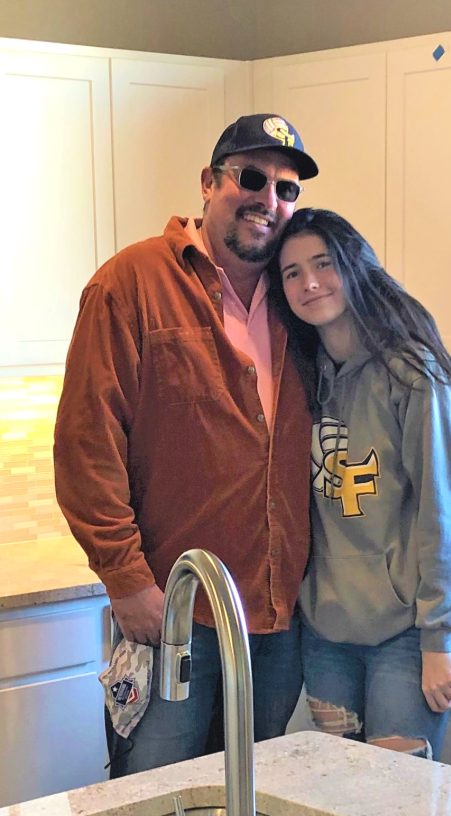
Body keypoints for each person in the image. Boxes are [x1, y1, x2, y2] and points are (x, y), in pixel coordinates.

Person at [54, 114, 319, 777]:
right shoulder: (131, 283)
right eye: (251, 179)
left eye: (287, 189)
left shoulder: (300, 295)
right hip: (173, 611)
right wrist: (126, 580)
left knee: (255, 801)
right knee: (155, 801)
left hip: (277, 614)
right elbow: (87, 444)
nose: (269, 201)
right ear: (208, 182)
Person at [268, 207, 451, 760]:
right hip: (326, 635)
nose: (309, 283)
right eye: (291, 273)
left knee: (399, 805)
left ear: (355, 266)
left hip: (404, 637)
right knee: (344, 805)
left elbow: (441, 516)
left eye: (323, 263)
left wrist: (438, 641)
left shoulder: (416, 375)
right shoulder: (303, 380)